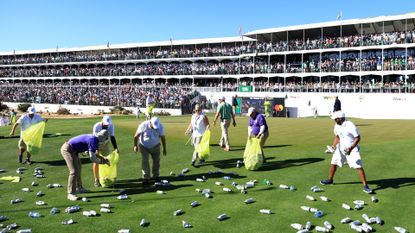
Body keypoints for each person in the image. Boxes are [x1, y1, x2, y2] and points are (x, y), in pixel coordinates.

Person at [320, 111, 373, 194]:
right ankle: (330, 180)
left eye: (335, 119)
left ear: (340, 118)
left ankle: (365, 186)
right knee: (334, 162)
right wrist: (333, 147)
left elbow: (358, 138)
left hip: (352, 149)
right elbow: (337, 137)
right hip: (340, 148)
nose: (334, 120)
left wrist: (350, 148)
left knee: (358, 166)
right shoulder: (337, 125)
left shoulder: (350, 125)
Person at [60, 130, 110, 201]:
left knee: (79, 168)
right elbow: (93, 158)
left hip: (73, 151)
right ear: (102, 137)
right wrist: (102, 162)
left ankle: (79, 188)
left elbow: (94, 154)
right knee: (74, 171)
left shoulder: (94, 139)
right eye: (105, 138)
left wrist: (104, 160)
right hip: (67, 150)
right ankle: (70, 193)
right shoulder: (93, 140)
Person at [133, 117, 167, 185]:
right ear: (150, 122)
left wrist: (164, 148)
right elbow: (136, 136)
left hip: (156, 146)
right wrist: (135, 146)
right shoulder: (143, 125)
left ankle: (156, 175)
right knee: (145, 161)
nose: (155, 128)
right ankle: (146, 177)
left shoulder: (160, 126)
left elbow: (163, 138)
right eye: (153, 126)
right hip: (144, 146)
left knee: (156, 161)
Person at [92, 115, 119, 187]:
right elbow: (95, 139)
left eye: (108, 124)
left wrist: (116, 147)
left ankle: (104, 177)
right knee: (96, 161)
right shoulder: (97, 126)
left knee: (106, 160)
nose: (107, 126)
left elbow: (112, 137)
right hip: (96, 142)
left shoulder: (111, 126)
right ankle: (96, 180)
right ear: (102, 121)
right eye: (105, 124)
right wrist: (96, 150)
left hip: (106, 143)